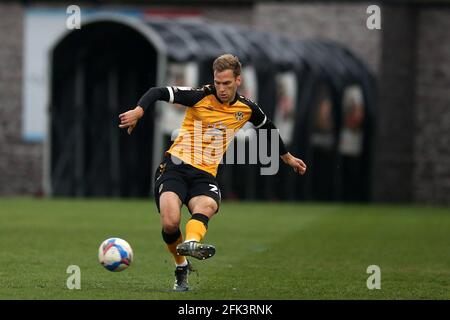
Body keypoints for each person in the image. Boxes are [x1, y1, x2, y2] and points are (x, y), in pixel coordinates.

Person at [118, 54, 307, 291]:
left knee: (206, 205)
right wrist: (139, 111)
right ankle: (181, 266)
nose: (221, 88)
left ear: (238, 81)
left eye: (226, 83)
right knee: (170, 222)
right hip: (175, 167)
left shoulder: (246, 108)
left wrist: (287, 157)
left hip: (204, 175)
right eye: (218, 82)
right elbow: (157, 91)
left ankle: (191, 243)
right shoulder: (200, 96)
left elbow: (268, 128)